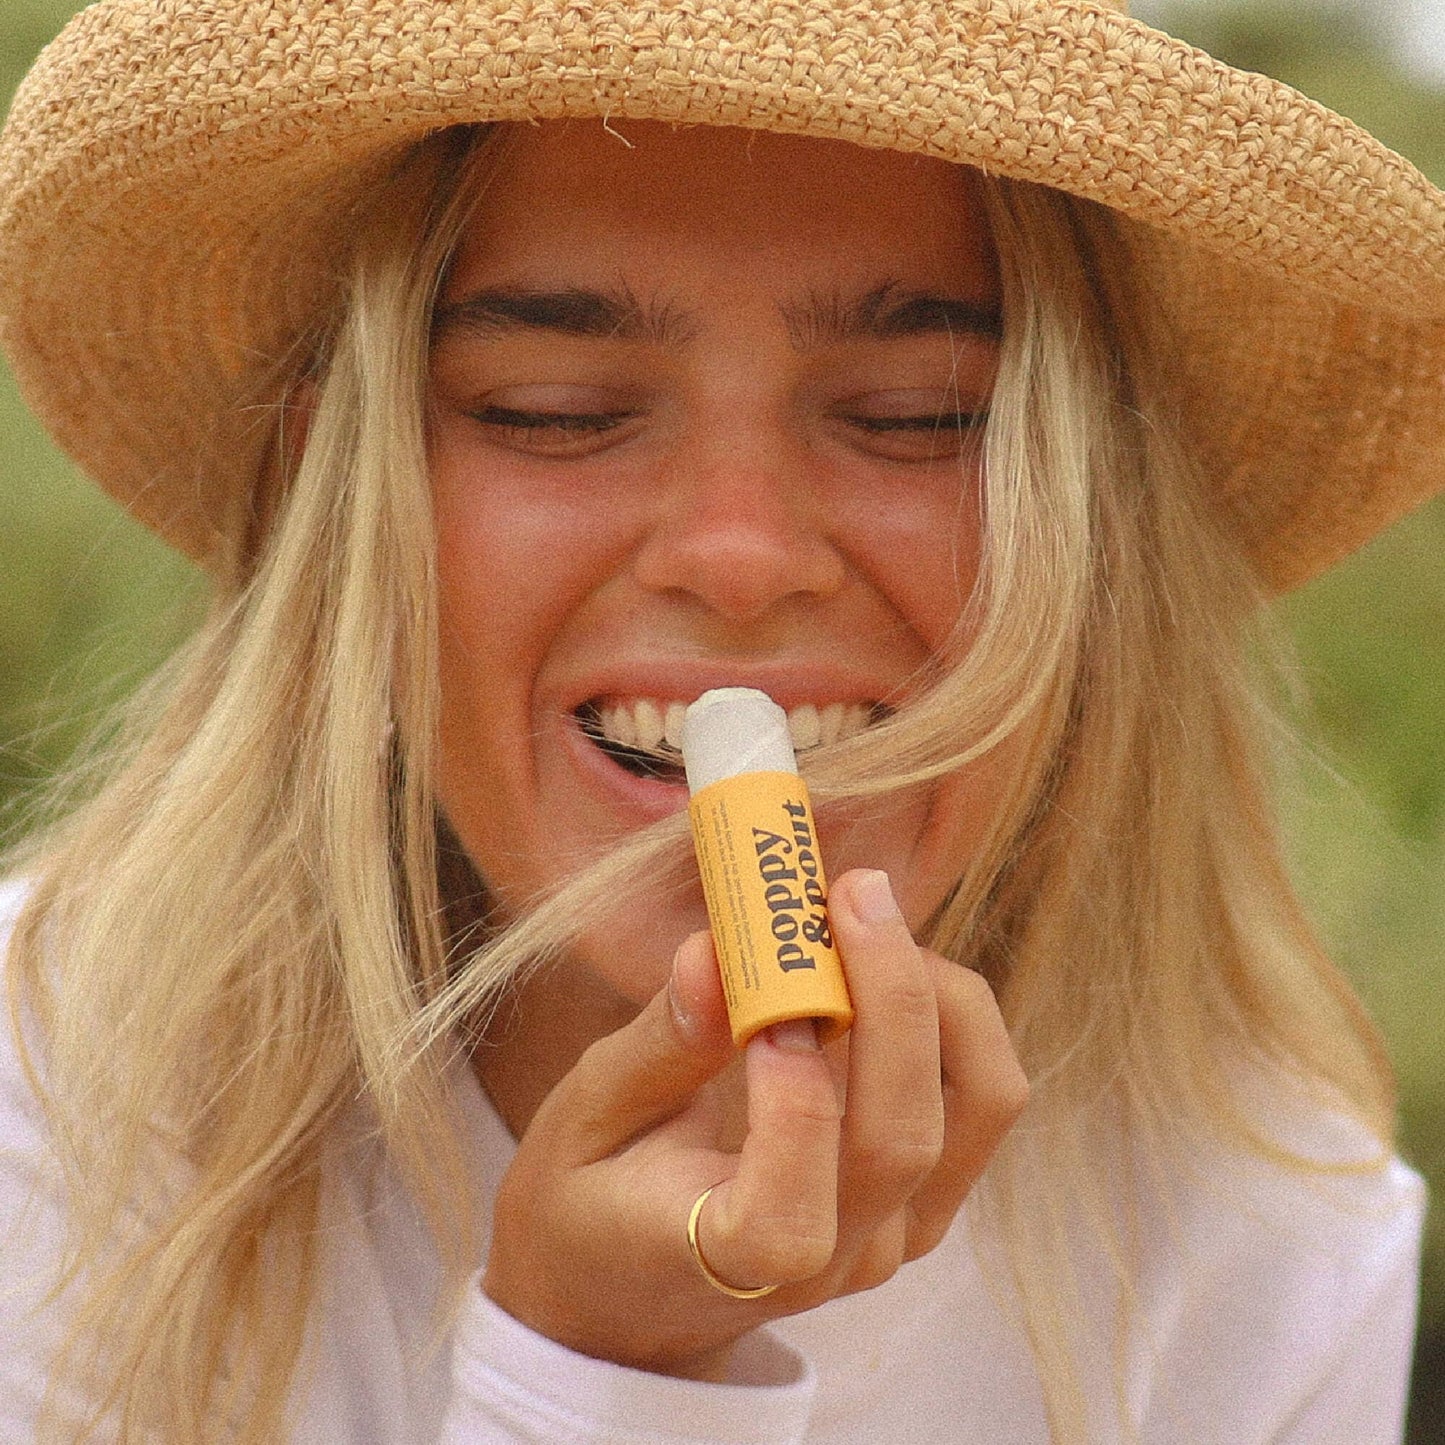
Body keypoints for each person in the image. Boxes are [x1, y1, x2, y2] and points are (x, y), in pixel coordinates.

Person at [0, 2, 1439, 1441]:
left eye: (916, 413)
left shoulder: (1276, 1244)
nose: (739, 555)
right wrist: (598, 1363)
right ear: (340, 501)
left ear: (1100, 531)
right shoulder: (44, 1098)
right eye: (554, 409)